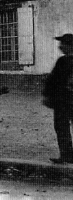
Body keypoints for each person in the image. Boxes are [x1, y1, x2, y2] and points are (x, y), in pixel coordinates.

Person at [43, 34, 73, 164]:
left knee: (62, 127)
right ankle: (67, 155)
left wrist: (47, 94)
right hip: (62, 100)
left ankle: (67, 156)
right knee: (61, 127)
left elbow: (52, 79)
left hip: (65, 100)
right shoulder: (62, 60)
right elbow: (52, 79)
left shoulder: (64, 61)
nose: (60, 47)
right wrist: (48, 94)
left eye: (63, 44)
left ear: (70, 46)